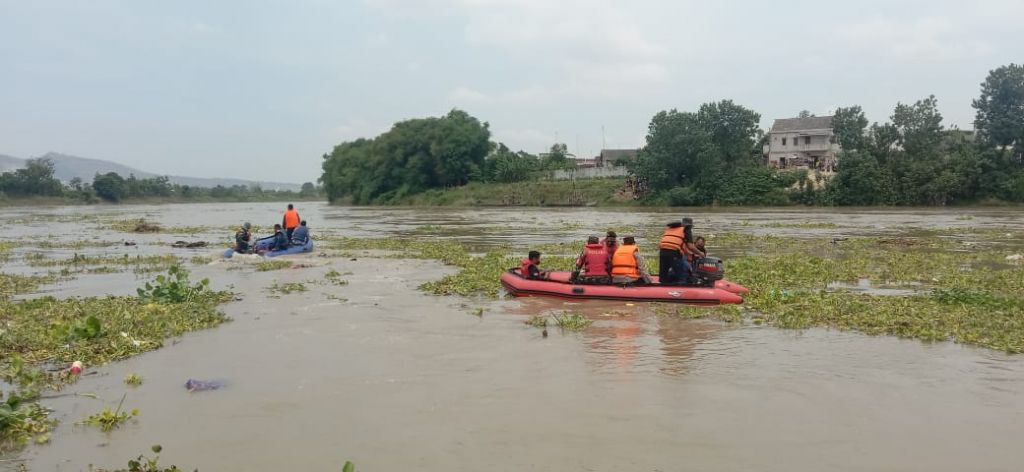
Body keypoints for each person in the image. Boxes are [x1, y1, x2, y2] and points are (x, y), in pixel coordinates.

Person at [658, 220, 686, 284]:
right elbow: (687, 245)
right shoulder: (684, 230)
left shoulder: (668, 230)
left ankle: (662, 283)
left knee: (663, 271)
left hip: (662, 251)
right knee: (679, 272)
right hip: (673, 252)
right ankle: (681, 283)